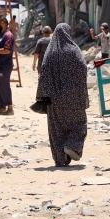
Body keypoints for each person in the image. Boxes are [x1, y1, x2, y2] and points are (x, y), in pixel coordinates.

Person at [36, 23, 89, 166]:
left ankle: (61, 159)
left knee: (57, 130)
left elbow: (43, 73)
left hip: (55, 100)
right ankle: (72, 146)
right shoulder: (74, 50)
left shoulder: (50, 53)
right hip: (74, 98)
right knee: (79, 124)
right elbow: (83, 68)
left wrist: (42, 96)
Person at [0, 17, 15, 116]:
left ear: (2, 23)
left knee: (4, 85)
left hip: (4, 65)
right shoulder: (0, 36)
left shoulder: (8, 35)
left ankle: (9, 108)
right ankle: (1, 108)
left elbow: (7, 50)